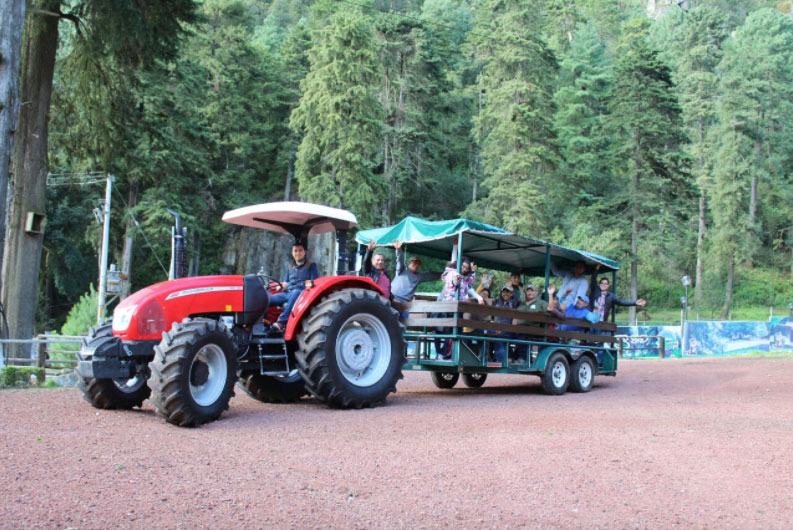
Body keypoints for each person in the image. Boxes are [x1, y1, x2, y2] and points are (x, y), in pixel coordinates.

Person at [268, 242, 320, 334]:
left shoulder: (311, 266)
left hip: (302, 294)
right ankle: (265, 322)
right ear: (292, 253)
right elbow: (285, 283)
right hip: (288, 293)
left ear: (305, 252)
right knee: (266, 298)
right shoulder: (290, 267)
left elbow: (314, 282)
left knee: (295, 292)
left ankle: (282, 322)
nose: (298, 253)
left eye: (300, 250)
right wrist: (280, 287)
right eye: (295, 251)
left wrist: (305, 286)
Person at [491, 285, 515, 363]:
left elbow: (518, 299)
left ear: (511, 294)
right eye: (504, 292)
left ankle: (501, 359)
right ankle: (499, 357)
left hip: (508, 328)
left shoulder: (514, 303)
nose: (505, 294)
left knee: (499, 336)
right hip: (496, 327)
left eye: (508, 292)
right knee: (491, 334)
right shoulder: (497, 302)